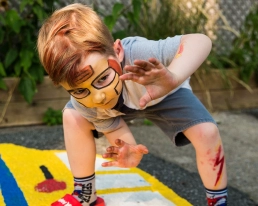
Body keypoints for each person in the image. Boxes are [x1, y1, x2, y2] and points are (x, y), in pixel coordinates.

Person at [37, 3, 228, 206]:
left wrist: (174, 76)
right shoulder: (87, 101)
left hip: (165, 92)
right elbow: (113, 125)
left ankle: (218, 201)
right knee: (73, 115)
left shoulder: (140, 54)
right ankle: (85, 195)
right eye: (80, 90)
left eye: (102, 79)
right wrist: (127, 148)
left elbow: (201, 41)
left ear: (117, 51)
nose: (98, 96)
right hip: (118, 104)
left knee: (207, 132)